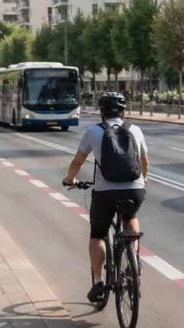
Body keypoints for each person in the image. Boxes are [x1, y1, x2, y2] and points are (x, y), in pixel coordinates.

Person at [62, 91, 149, 303]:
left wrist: (69, 179)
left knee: (98, 234)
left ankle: (99, 281)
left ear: (101, 112)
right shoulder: (135, 130)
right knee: (130, 217)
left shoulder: (94, 132)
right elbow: (145, 161)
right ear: (123, 111)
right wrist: (142, 181)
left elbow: (78, 162)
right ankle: (133, 262)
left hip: (105, 192)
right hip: (135, 189)